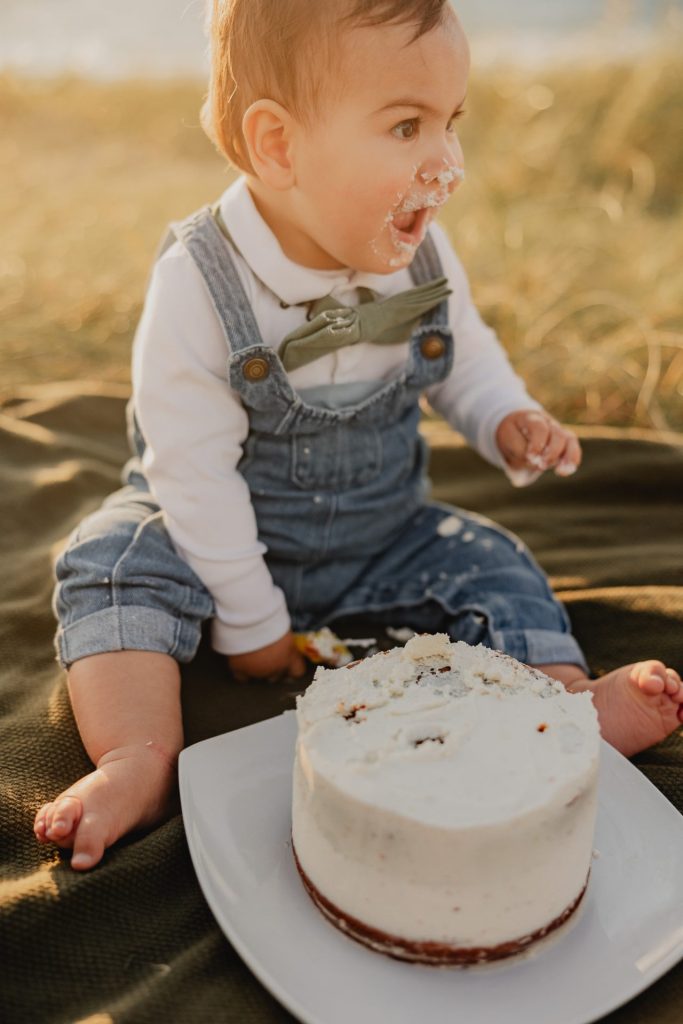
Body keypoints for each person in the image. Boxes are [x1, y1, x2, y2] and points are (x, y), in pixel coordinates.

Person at [34, 0, 682, 871]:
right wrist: (253, 619)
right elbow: (190, 472)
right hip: (215, 532)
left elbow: (464, 356)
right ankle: (136, 755)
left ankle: (566, 710)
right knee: (109, 559)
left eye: (451, 123)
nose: (445, 165)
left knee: (490, 558)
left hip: (381, 534)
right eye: (407, 126)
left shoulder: (419, 253)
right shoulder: (200, 281)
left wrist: (505, 418)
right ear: (279, 146)